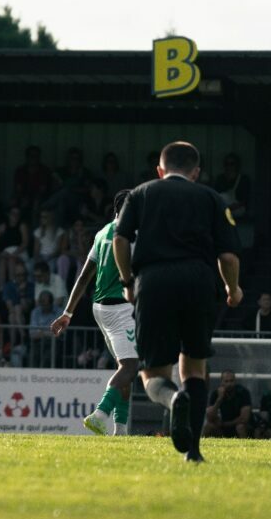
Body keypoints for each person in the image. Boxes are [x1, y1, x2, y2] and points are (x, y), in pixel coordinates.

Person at [113, 141, 243, 463]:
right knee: (195, 366)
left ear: (160, 169)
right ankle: (194, 453)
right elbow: (227, 255)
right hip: (199, 281)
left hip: (154, 281)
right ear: (196, 172)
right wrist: (233, 289)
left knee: (153, 373)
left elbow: (119, 239)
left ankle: (173, 400)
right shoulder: (212, 198)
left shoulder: (141, 193)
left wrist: (128, 282)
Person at [51, 190, 139, 436]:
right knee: (130, 366)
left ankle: (120, 428)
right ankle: (99, 414)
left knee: (124, 365)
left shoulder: (101, 233)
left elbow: (83, 277)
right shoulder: (131, 234)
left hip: (99, 308)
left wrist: (68, 311)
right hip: (120, 308)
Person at [203, 370, 251, 438]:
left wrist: (225, 424)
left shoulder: (243, 393)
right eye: (226, 381)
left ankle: (245, 447)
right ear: (221, 382)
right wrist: (219, 399)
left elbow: (244, 418)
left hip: (236, 425)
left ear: (235, 381)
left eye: (231, 381)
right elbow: (209, 417)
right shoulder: (216, 394)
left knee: (240, 427)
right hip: (222, 427)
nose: (229, 384)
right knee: (208, 426)